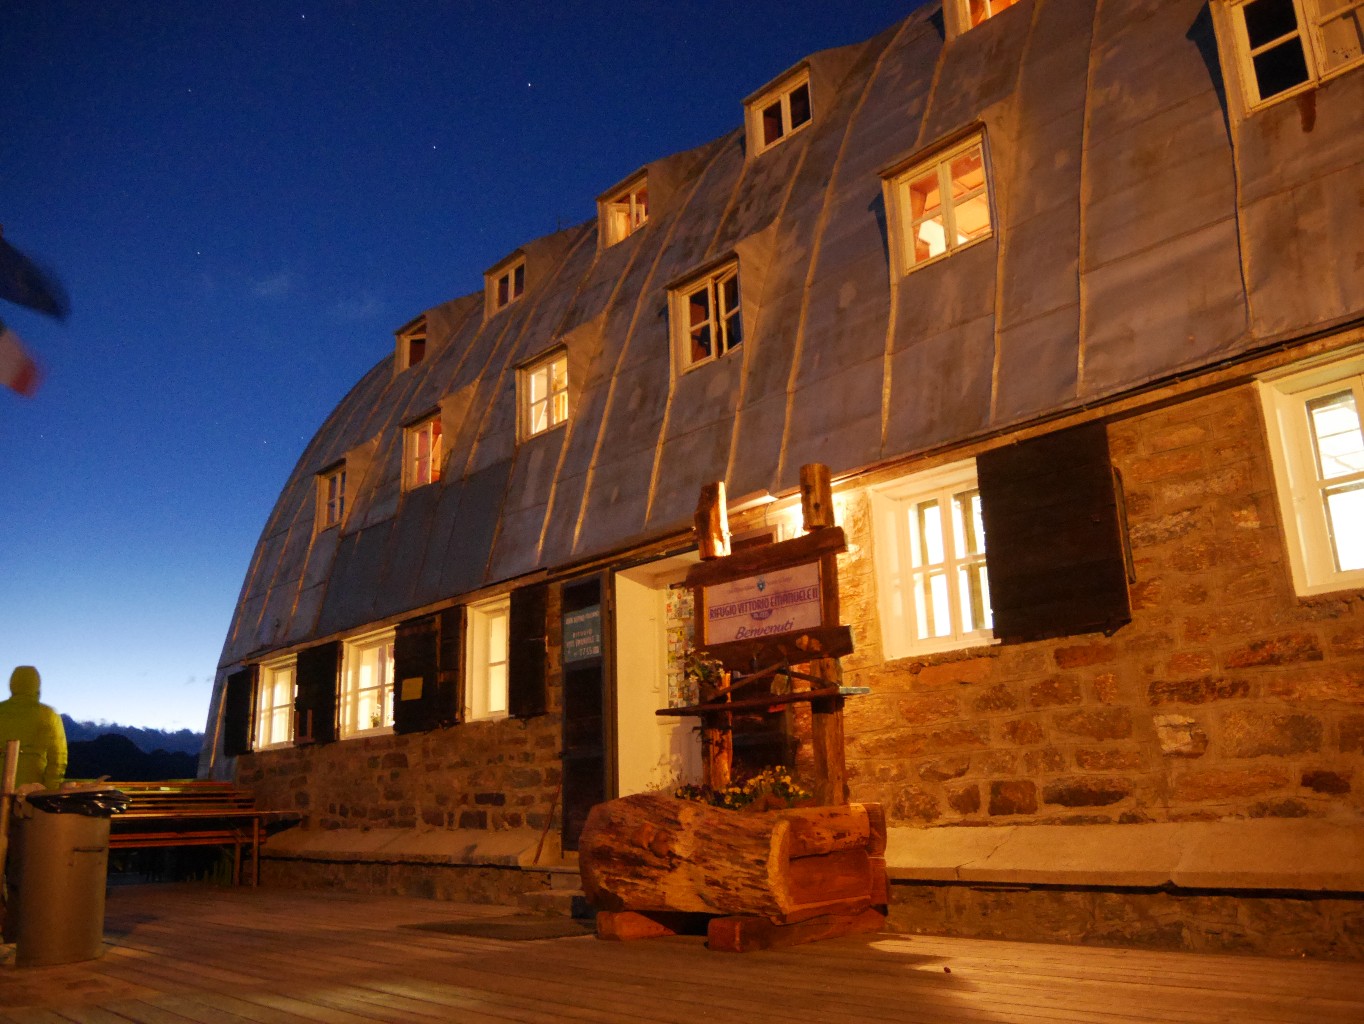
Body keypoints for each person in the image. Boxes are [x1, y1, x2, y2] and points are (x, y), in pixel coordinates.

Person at [0, 665, 67, 790]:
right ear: (37, 685)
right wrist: (50, 788)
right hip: (33, 790)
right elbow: (58, 757)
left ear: (12, 684)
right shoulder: (48, 714)